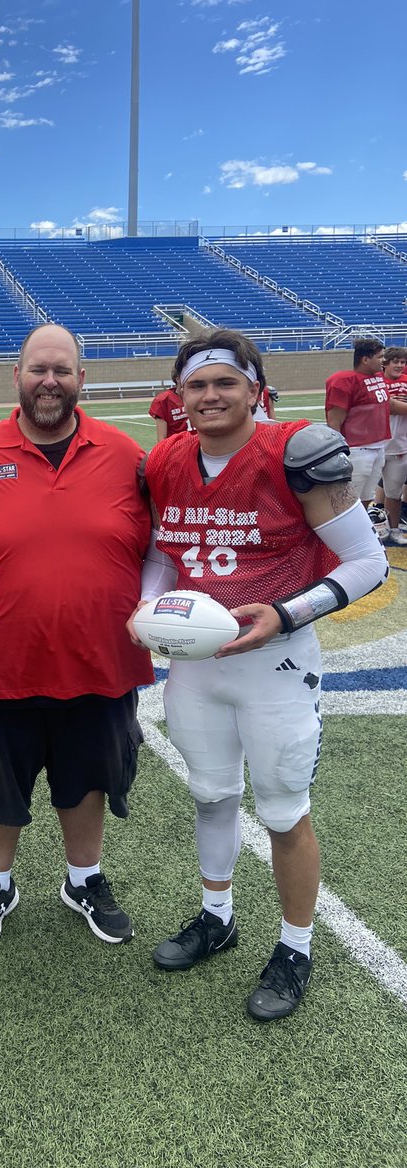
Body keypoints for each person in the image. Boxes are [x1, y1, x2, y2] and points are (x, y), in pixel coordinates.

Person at [130, 329, 388, 1021]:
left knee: (282, 811)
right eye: (197, 384)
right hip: (198, 667)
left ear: (255, 391)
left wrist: (285, 612)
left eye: (225, 383)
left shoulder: (295, 452)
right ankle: (217, 917)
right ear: (179, 395)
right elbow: (164, 552)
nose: (210, 396)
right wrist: (150, 604)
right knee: (211, 796)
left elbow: (369, 562)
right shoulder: (166, 459)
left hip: (277, 662)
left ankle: (295, 948)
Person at [0, 323, 154, 953]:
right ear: (17, 375)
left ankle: (83, 878)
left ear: (81, 379)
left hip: (99, 659)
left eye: (62, 370)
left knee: (88, 776)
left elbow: (162, 547)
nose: (50, 381)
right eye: (39, 368)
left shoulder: (125, 455)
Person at [324, 338, 407, 509]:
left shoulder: (377, 378)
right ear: (366, 359)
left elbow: (389, 405)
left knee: (367, 497)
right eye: (380, 357)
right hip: (357, 448)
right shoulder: (344, 380)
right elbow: (334, 421)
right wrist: (338, 452)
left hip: (378, 446)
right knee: (349, 499)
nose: (383, 360)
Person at [376, 347, 407, 547]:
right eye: (395, 361)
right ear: (385, 363)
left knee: (394, 493)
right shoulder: (376, 382)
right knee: (362, 493)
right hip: (374, 444)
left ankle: (393, 529)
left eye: (402, 362)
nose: (399, 365)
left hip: (399, 445)